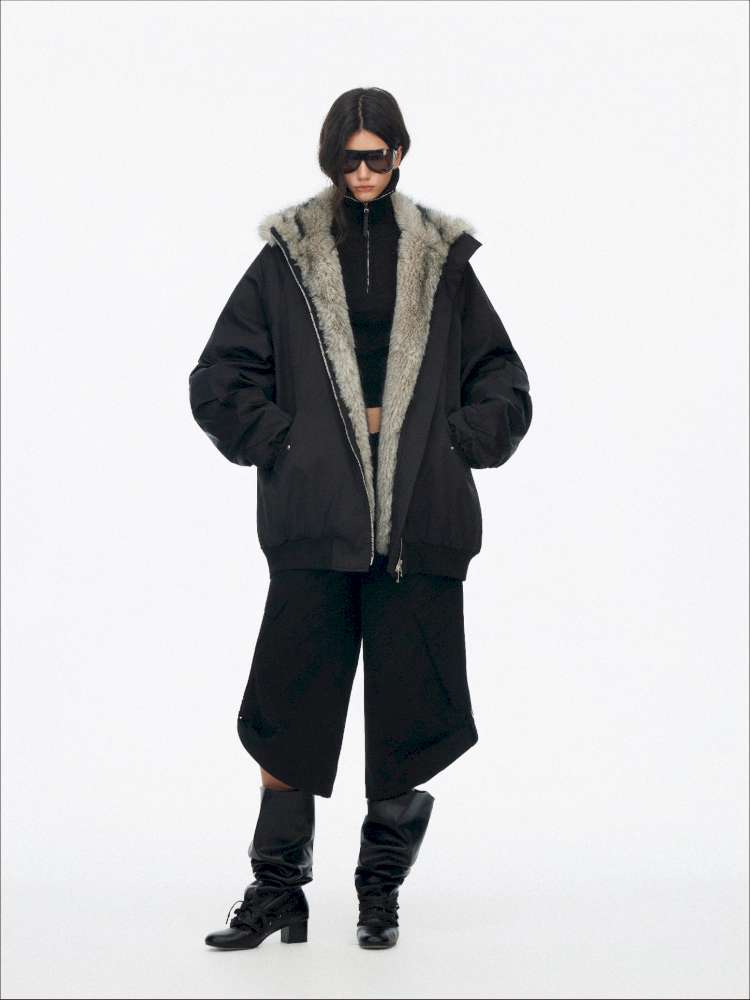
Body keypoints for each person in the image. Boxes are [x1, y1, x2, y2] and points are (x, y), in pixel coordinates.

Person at [188, 87, 533, 951]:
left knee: (411, 717)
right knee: (286, 711)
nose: (364, 172)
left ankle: (379, 894)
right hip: (316, 521)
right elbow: (219, 375)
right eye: (349, 158)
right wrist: (289, 442)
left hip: (419, 522)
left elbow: (503, 378)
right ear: (330, 159)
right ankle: (278, 891)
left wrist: (455, 441)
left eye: (378, 156)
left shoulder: (443, 260)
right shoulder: (289, 258)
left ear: (401, 154)